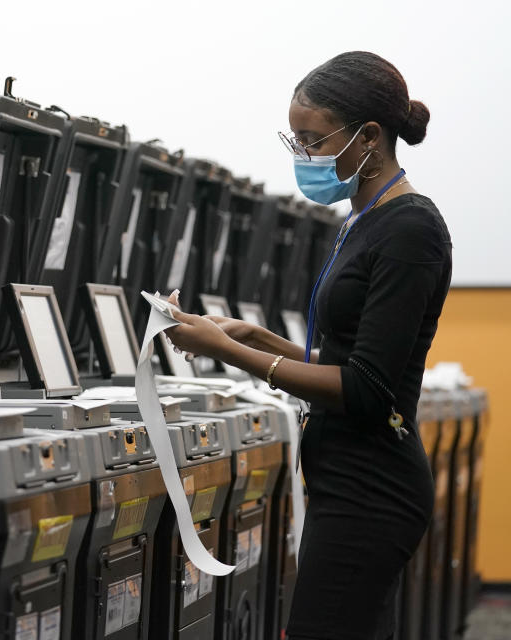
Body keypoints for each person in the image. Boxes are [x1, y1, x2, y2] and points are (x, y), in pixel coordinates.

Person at [164, 51, 451, 640]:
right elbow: (351, 358)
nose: (304, 156)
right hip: (343, 478)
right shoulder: (362, 220)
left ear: (370, 136)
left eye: (314, 140)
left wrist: (231, 353)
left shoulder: (409, 228)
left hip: (371, 489)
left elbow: (367, 389)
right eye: (295, 140)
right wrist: (255, 336)